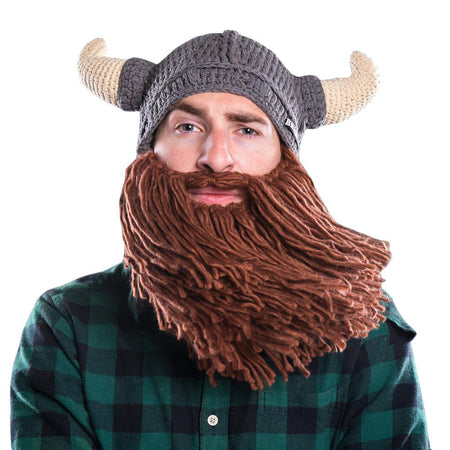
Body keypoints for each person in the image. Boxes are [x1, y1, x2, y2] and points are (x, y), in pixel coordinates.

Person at [11, 30, 429, 449]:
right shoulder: (67, 324)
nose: (215, 157)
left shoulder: (364, 329)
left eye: (246, 130)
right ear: (149, 153)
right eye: (188, 126)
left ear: (285, 161)